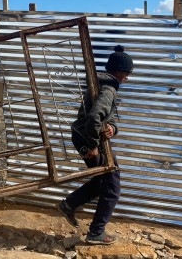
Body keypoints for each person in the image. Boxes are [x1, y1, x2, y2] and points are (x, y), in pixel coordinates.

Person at [57, 45, 134, 245]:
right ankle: (96, 233)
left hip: (88, 137)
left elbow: (109, 117)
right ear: (119, 71)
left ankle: (69, 204)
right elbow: (93, 118)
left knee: (104, 181)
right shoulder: (108, 88)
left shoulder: (103, 85)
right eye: (127, 73)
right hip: (89, 139)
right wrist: (92, 145)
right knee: (112, 187)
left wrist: (112, 129)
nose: (128, 77)